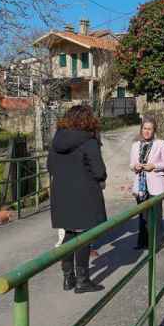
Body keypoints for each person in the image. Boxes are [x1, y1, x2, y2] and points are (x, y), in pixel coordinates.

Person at [48, 104, 107, 293]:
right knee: (84, 236)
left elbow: (50, 167)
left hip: (62, 195)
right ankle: (83, 281)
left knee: (69, 234)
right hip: (84, 195)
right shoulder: (88, 141)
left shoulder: (56, 140)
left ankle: (68, 279)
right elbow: (99, 171)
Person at [129, 117, 164, 250]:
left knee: (155, 215)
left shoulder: (160, 144)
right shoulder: (135, 145)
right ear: (141, 129)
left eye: (149, 129)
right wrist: (135, 167)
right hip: (140, 185)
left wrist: (154, 166)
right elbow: (131, 164)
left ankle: (156, 243)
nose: (146, 131)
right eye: (144, 128)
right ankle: (142, 242)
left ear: (154, 130)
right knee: (142, 215)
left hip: (155, 185)